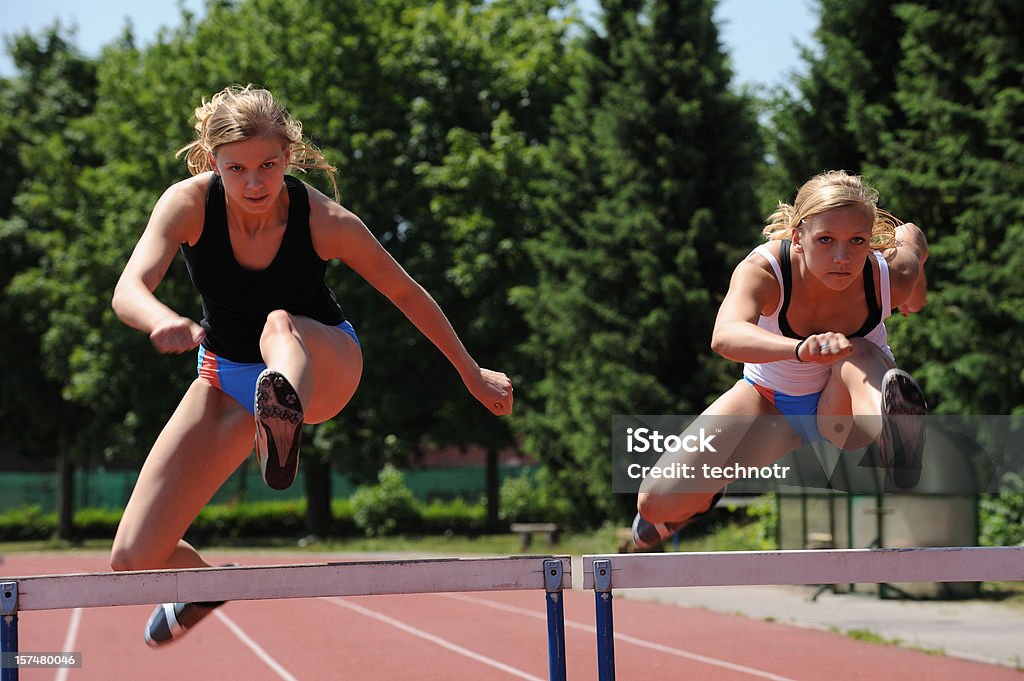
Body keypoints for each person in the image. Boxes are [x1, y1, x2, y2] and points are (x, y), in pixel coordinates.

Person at [109, 84, 513, 645]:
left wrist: (471, 371)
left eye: (269, 166)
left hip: (324, 366)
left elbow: (406, 292)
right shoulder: (186, 204)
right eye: (238, 169)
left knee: (279, 322)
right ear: (211, 161)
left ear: (289, 157)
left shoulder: (322, 218)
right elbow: (129, 287)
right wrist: (158, 319)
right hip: (227, 377)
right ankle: (199, 587)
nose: (255, 183)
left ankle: (283, 413)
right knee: (132, 557)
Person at [632, 170, 928, 549]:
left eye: (857, 241)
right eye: (825, 240)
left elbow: (913, 238)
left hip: (843, 411)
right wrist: (799, 349)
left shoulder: (890, 277)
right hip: (768, 404)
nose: (843, 258)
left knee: (858, 351)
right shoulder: (764, 271)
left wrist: (913, 294)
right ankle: (703, 496)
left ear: (870, 239)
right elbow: (725, 336)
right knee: (655, 503)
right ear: (797, 237)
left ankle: (894, 433)